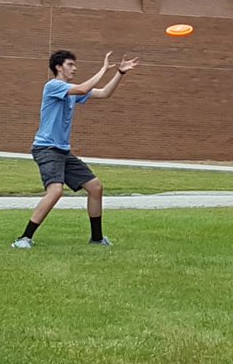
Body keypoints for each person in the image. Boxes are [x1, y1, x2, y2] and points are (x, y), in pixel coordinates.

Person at [12, 49, 139, 249]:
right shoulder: (53, 85)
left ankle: (97, 239)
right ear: (58, 67)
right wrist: (104, 68)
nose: (75, 68)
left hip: (62, 151)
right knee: (55, 191)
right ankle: (24, 239)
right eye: (70, 65)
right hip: (46, 148)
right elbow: (81, 89)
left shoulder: (71, 90)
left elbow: (104, 93)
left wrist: (120, 73)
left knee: (95, 187)